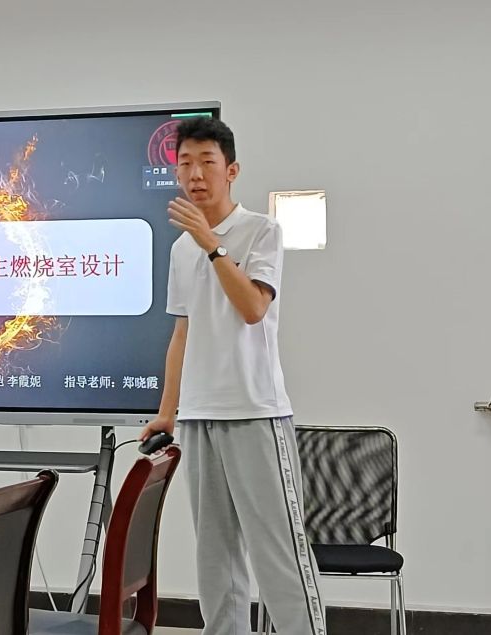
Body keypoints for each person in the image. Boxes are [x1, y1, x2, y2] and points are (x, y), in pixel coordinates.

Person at [139, 117, 326, 635]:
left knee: (279, 553)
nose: (195, 174)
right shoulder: (180, 248)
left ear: (232, 170)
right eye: (185, 164)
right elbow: (183, 333)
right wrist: (167, 412)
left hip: (255, 412)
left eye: (207, 162)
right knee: (215, 557)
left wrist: (212, 244)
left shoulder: (261, 231)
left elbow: (252, 308)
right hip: (199, 417)